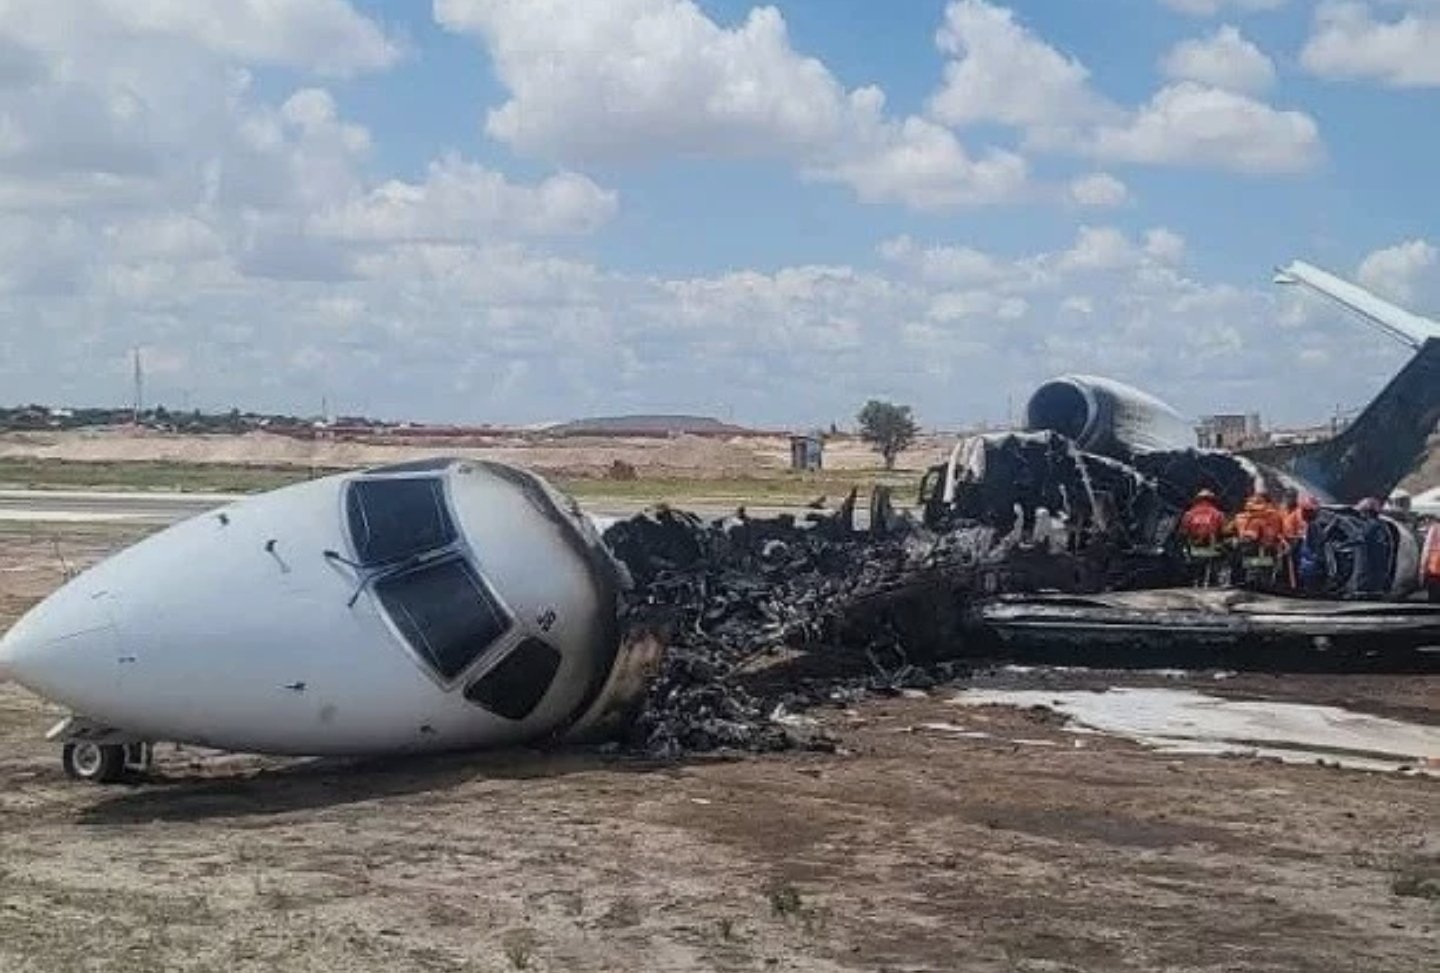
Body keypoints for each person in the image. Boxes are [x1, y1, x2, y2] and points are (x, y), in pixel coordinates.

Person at [1231, 489, 1287, 586]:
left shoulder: (1248, 517)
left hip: (1253, 549)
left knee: (1250, 569)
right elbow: (1281, 532)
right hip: (1271, 549)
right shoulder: (1277, 515)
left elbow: (1231, 531)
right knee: (1265, 574)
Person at [1178, 489, 1226, 585]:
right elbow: (1224, 532)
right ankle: (1213, 580)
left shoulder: (1189, 514)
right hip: (1212, 549)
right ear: (1212, 500)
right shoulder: (1218, 514)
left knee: (1195, 567)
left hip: (1193, 549)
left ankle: (1194, 580)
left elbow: (1182, 532)